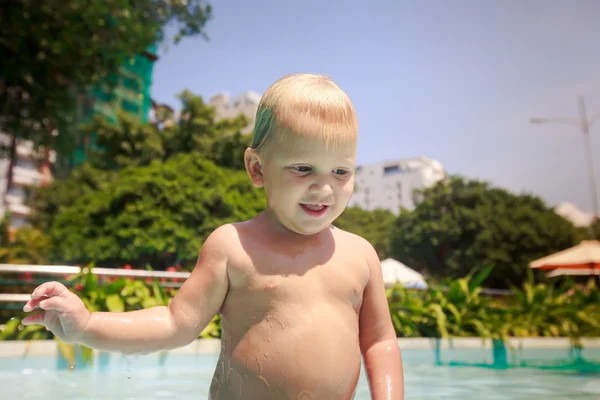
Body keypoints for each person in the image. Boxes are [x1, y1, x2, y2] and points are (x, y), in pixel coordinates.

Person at [22, 73, 404, 399]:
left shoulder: (360, 254)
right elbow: (175, 324)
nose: (324, 188)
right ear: (257, 168)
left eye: (341, 172)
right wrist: (87, 326)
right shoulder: (233, 247)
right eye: (303, 168)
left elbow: (379, 342)